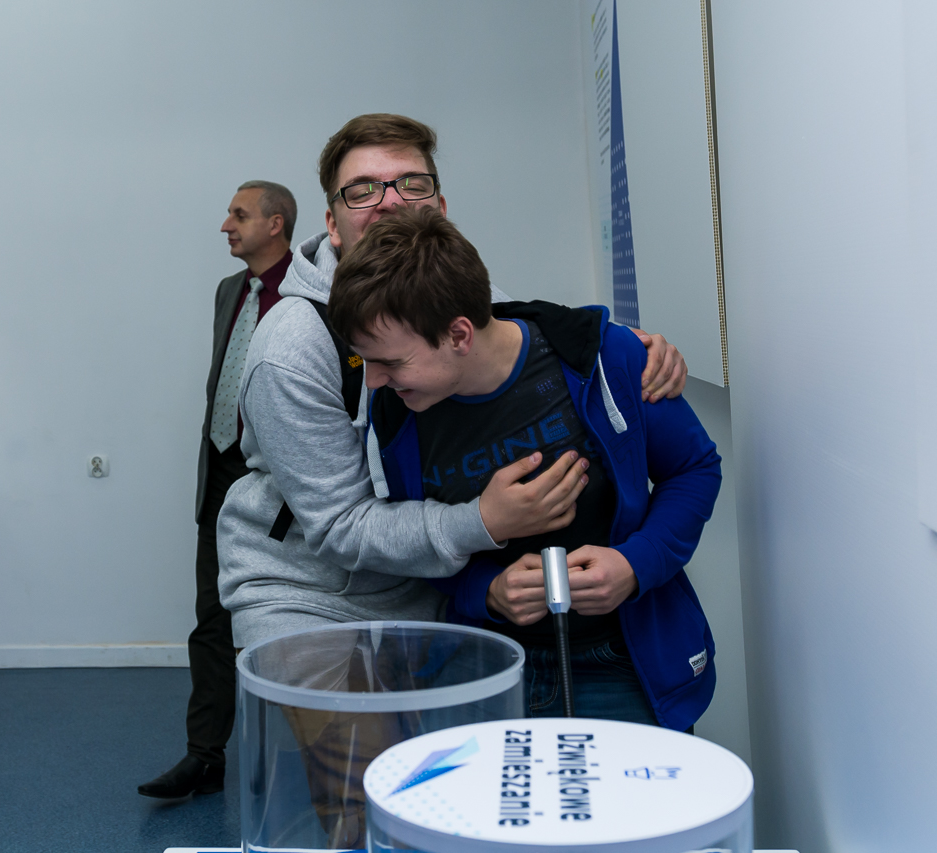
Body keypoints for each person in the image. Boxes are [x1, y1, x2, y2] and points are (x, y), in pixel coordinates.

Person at [217, 113, 687, 651]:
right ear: (333, 223)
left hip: (439, 590)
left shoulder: (473, 301)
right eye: (362, 190)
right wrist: (481, 520)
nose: (390, 201)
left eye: (411, 183)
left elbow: (543, 338)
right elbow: (340, 527)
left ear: (439, 209)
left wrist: (629, 349)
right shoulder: (292, 345)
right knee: (333, 713)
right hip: (309, 597)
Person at [327, 205, 722, 730]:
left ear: (459, 335)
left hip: (621, 660)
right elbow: (421, 541)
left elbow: (694, 469)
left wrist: (635, 565)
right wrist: (486, 590)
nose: (373, 381)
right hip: (483, 661)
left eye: (391, 362)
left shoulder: (603, 358)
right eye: (365, 361)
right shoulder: (397, 413)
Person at [137, 181, 298, 799]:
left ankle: (301, 754)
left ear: (276, 224)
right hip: (221, 472)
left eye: (239, 214)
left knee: (286, 617)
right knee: (212, 618)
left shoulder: (313, 293)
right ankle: (204, 756)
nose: (225, 225)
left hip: (281, 482)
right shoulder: (231, 290)